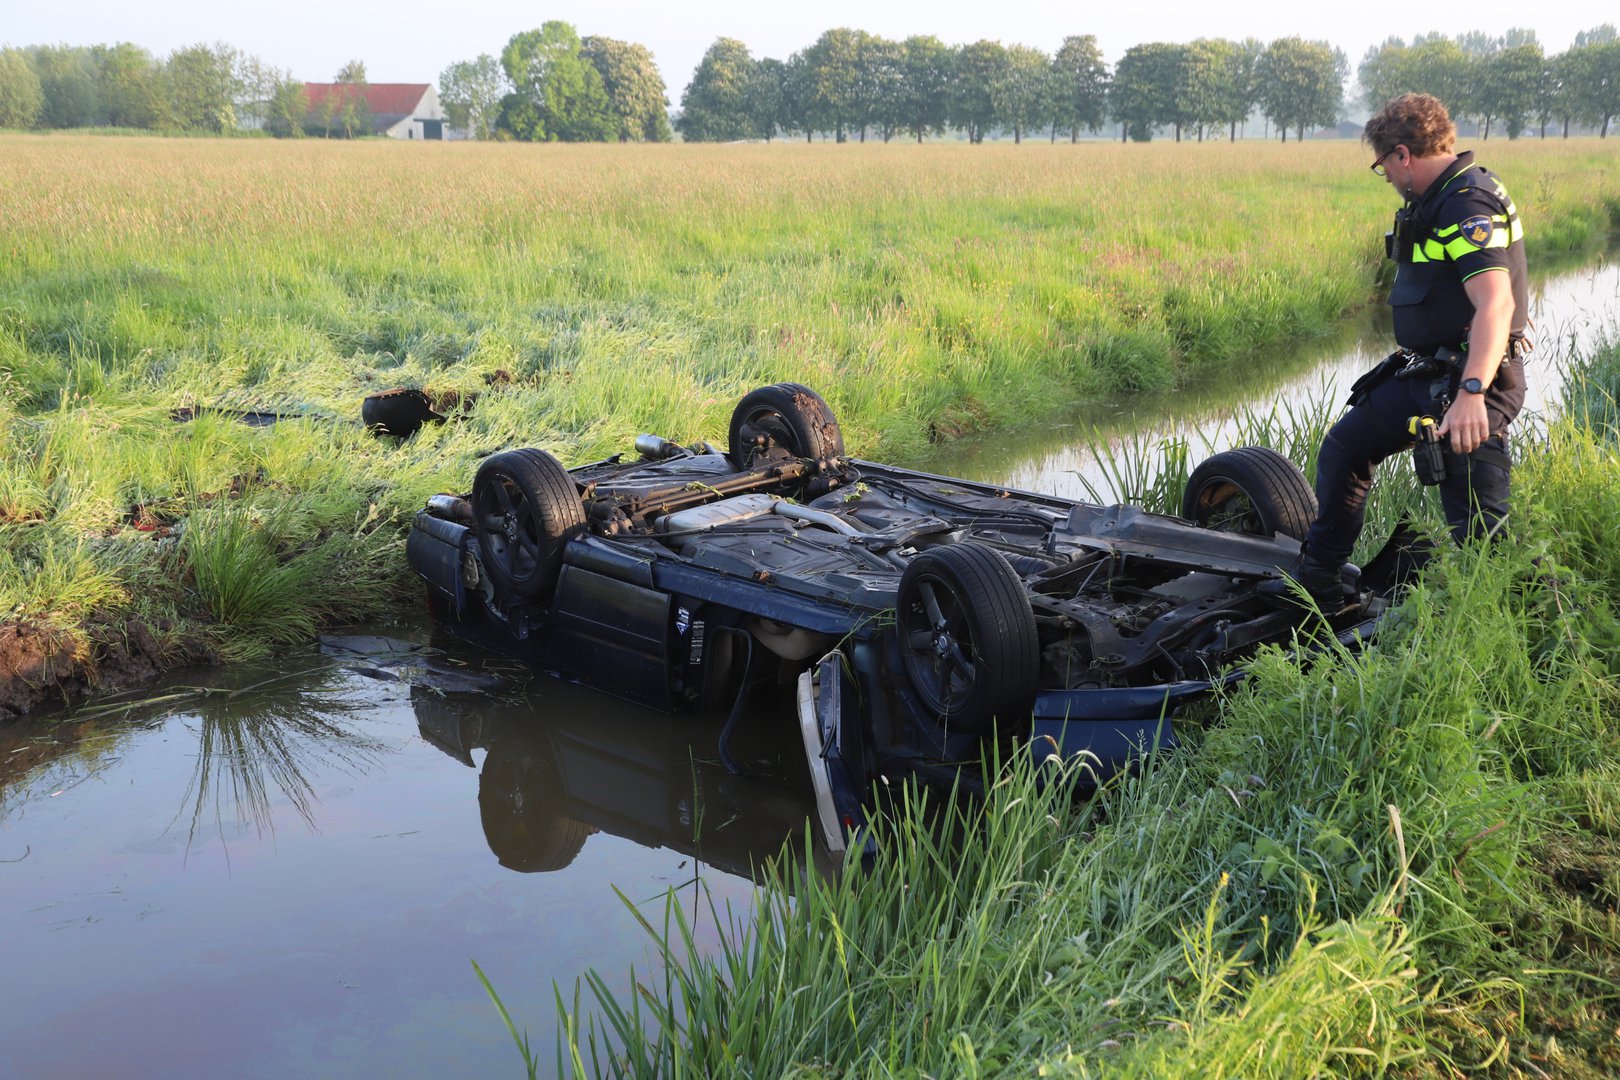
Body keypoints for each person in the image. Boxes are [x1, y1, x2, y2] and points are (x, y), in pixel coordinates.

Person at [1270, 93, 1529, 608]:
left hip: (1471, 382)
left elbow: (1495, 301)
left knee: (1481, 534)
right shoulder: (1439, 196)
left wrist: (1474, 392)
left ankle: (1537, 634)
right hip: (1429, 372)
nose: (1385, 175)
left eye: (1383, 164)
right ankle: (1319, 579)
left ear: (1404, 155)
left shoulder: (1465, 202)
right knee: (1346, 448)